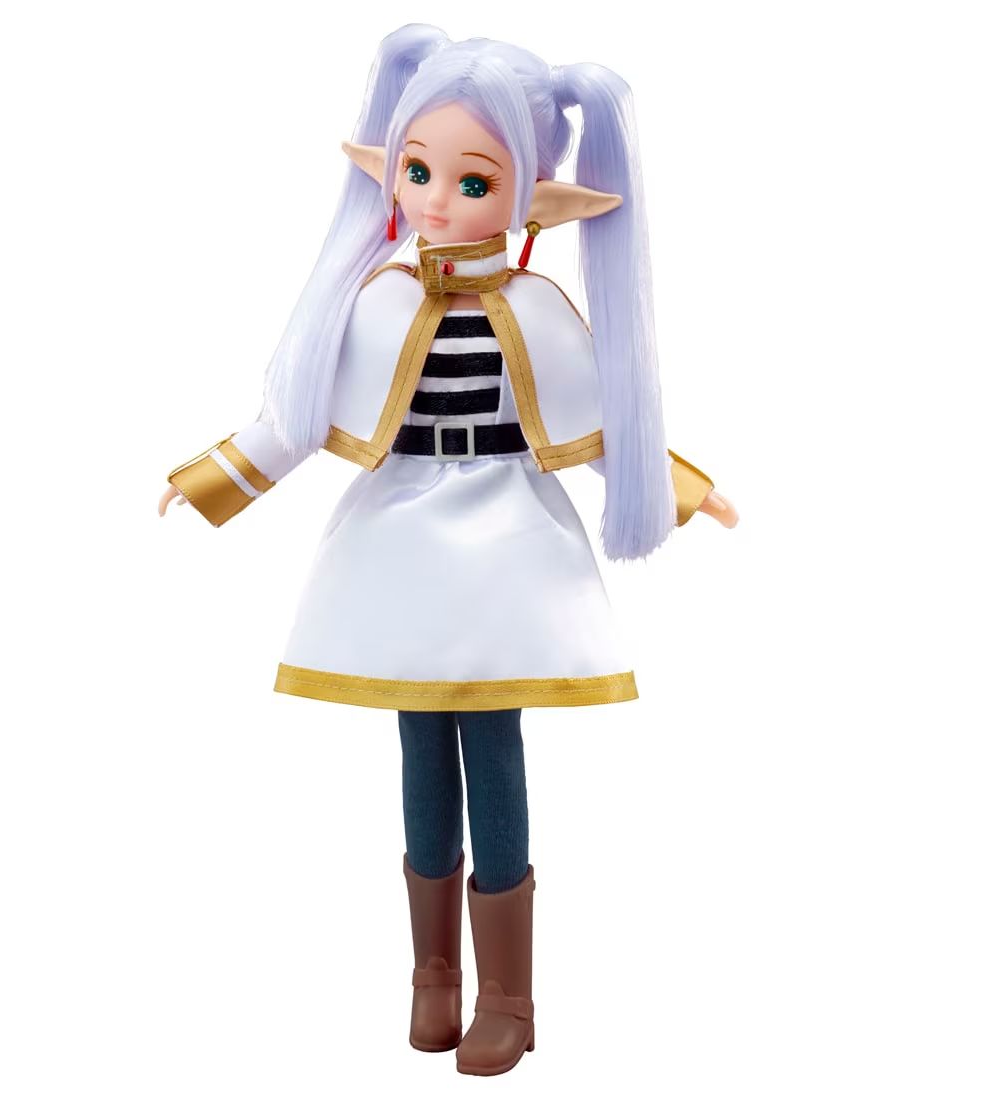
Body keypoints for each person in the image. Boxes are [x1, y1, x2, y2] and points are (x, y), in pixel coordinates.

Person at [159, 24, 738, 1077]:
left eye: (472, 182)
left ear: (528, 195)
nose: (434, 200)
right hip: (398, 541)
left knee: (494, 740)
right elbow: (295, 416)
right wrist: (212, 478)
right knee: (418, 741)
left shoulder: (539, 311)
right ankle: (433, 974)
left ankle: (507, 993)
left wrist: (686, 491)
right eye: (416, 170)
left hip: (508, 542)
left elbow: (606, 426)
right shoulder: (375, 301)